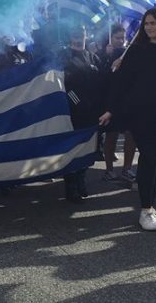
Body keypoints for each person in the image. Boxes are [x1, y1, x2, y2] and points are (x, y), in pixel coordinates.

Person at [99, 8, 156, 231]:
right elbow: (121, 83)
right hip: (141, 114)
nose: (149, 27)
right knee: (149, 157)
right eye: (146, 23)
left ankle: (150, 204)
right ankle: (145, 208)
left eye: (153, 23)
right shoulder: (136, 50)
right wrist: (111, 109)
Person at [60, 25, 104, 203]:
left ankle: (81, 180)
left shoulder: (93, 57)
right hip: (74, 112)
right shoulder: (63, 57)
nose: (78, 38)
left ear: (86, 35)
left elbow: (102, 81)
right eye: (75, 34)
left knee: (88, 149)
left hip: (92, 112)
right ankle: (71, 186)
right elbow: (63, 84)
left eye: (81, 34)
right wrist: (77, 103)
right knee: (73, 149)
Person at [100, 24, 137, 184]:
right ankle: (109, 170)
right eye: (117, 38)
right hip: (110, 101)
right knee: (111, 135)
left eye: (123, 38)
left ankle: (127, 168)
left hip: (127, 101)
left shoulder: (129, 53)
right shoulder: (102, 54)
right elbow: (100, 77)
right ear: (110, 38)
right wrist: (107, 58)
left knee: (130, 134)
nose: (121, 41)